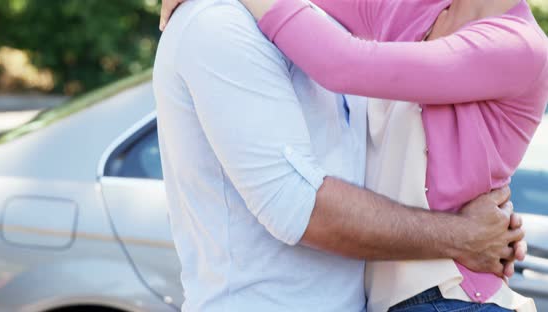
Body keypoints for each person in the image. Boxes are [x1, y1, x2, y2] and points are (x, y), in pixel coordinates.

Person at [160, 0, 548, 311]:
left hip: (450, 295)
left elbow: (344, 64)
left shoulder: (518, 47)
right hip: (394, 298)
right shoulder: (418, 10)